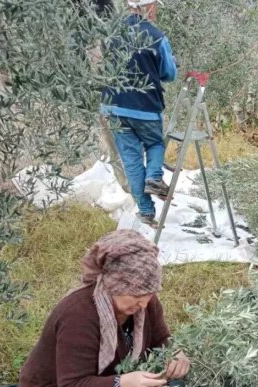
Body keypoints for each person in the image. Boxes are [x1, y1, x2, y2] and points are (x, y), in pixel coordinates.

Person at [18, 230, 190, 387]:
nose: (144, 303)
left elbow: (161, 338)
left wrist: (176, 353)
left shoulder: (146, 302)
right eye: (136, 294)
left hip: (116, 376)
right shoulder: (77, 315)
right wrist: (123, 384)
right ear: (112, 285)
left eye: (150, 293)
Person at [100, 0, 178, 226]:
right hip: (145, 107)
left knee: (131, 159)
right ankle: (154, 177)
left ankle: (145, 211)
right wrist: (171, 62)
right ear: (149, 6)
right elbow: (169, 74)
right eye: (155, 5)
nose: (157, 9)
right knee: (155, 144)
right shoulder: (157, 36)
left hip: (114, 105)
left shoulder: (113, 31)